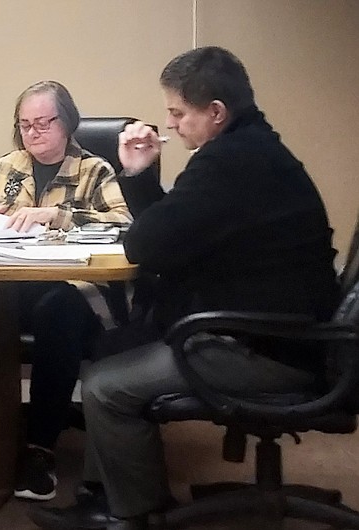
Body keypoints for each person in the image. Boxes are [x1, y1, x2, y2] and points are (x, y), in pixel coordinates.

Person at [29, 46, 340, 530]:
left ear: (215, 113)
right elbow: (174, 235)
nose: (170, 124)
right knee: (115, 346)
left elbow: (146, 245)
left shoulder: (229, 164)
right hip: (282, 331)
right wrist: (141, 175)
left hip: (264, 347)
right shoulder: (250, 150)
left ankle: (130, 513)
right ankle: (105, 490)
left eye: (177, 112)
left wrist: (135, 177)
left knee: (105, 384)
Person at [0, 80, 131, 501]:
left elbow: (123, 226)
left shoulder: (94, 170)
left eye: (43, 122)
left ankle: (39, 445)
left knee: (56, 311)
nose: (33, 133)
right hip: (11, 284)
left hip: (74, 292)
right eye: (24, 124)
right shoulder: (6, 167)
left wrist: (59, 216)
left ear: (68, 123)